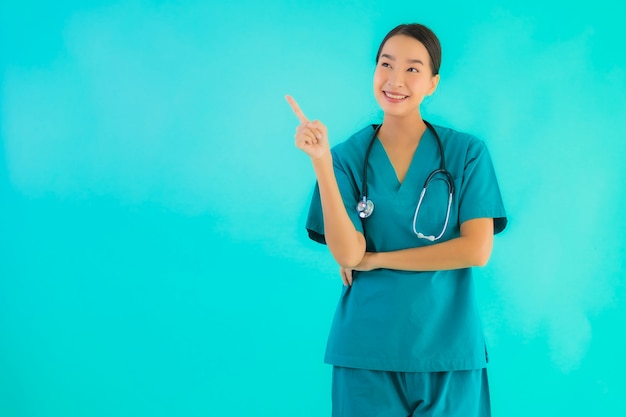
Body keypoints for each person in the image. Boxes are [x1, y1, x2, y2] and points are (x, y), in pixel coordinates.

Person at [286, 23, 507, 417]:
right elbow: (349, 253)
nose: (395, 79)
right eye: (386, 64)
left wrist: (381, 258)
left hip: (449, 352)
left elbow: (477, 249)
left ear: (432, 83)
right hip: (366, 351)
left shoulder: (467, 153)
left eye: (412, 69)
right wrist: (321, 163)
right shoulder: (345, 158)